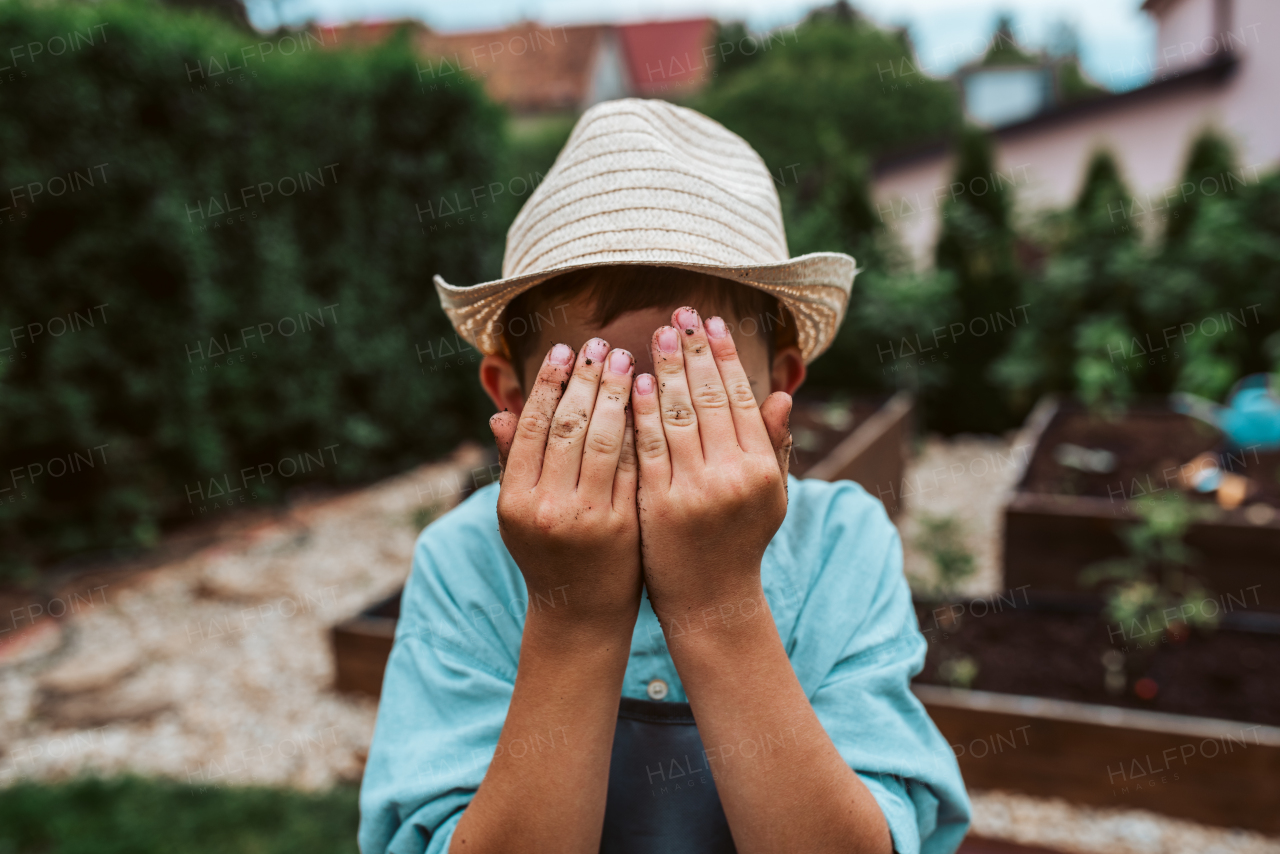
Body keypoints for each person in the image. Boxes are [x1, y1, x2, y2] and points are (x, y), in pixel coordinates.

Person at [359, 98, 970, 854]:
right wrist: (574, 617)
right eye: (605, 391)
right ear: (516, 401)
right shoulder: (464, 568)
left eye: (694, 389)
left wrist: (718, 597)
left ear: (778, 386)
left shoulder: (843, 547)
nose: (656, 435)